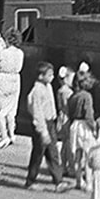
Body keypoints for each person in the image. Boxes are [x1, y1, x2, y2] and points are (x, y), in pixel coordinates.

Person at [26, 62, 69, 191]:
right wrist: (43, 131)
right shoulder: (37, 91)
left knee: (53, 152)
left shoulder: (48, 86)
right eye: (49, 75)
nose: (52, 77)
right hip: (42, 124)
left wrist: (54, 119)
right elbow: (37, 111)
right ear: (40, 76)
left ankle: (58, 181)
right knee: (38, 153)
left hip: (50, 122)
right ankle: (30, 180)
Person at [0, 28, 24, 148]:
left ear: (8, 39)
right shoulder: (20, 53)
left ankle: (4, 136)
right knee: (12, 108)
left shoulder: (2, 53)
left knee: (0, 109)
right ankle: (12, 133)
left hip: (2, 78)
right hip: (15, 78)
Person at [66, 70, 98, 191]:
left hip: (74, 125)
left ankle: (79, 180)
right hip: (84, 126)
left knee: (77, 155)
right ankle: (89, 182)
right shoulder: (87, 96)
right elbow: (88, 114)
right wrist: (93, 128)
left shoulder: (73, 96)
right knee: (88, 155)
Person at [56, 65, 76, 175]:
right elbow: (66, 106)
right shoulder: (67, 92)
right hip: (67, 118)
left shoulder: (60, 90)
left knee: (65, 143)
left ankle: (63, 166)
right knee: (68, 144)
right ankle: (70, 167)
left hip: (62, 117)